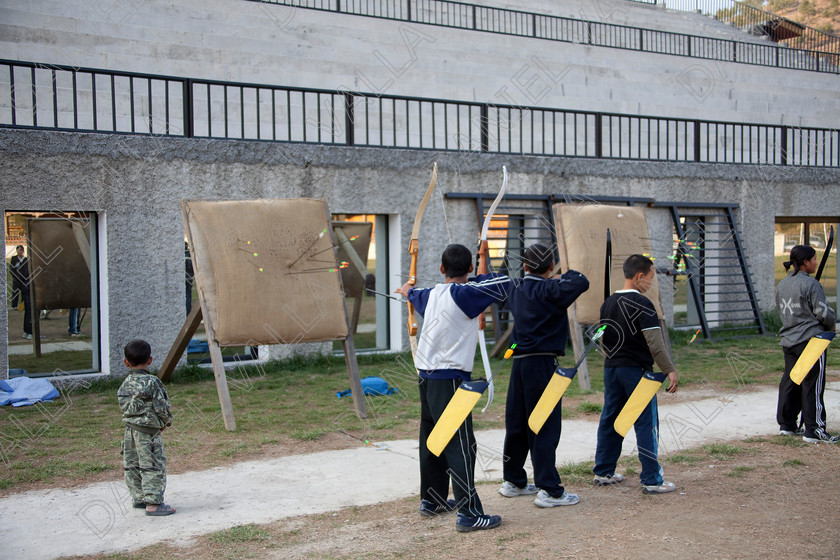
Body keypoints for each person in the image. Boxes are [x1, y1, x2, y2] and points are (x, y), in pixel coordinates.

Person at [395, 243, 511, 532]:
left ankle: (432, 499)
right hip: (449, 379)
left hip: (426, 376)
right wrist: (481, 266)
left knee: (432, 437)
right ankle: (469, 514)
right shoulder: (466, 293)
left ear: (441, 269)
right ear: (469, 269)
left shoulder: (429, 294)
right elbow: (505, 282)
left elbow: (412, 292)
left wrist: (406, 288)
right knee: (459, 444)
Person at [499, 243, 589, 507]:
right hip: (541, 365)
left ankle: (513, 481)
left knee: (517, 423)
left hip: (520, 363)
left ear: (524, 266)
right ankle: (549, 489)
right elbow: (581, 280)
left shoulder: (515, 287)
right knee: (545, 424)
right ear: (550, 267)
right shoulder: (553, 288)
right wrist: (559, 276)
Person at [592, 254, 679, 494]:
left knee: (610, 418)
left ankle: (603, 471)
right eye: (650, 278)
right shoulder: (643, 303)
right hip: (637, 373)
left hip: (612, 369)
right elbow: (655, 343)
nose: (651, 283)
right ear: (640, 276)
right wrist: (669, 370)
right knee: (645, 422)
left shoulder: (607, 303)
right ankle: (652, 479)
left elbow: (601, 339)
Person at [775, 245, 838, 443]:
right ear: (805, 262)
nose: (816, 263)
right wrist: (833, 320)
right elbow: (822, 312)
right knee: (813, 385)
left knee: (791, 381)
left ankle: (787, 425)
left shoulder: (783, 284)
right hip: (811, 342)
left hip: (789, 340)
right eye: (814, 259)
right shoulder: (811, 285)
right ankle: (815, 429)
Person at [117, 340, 176, 516]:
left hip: (129, 432)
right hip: (148, 433)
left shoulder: (125, 383)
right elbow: (161, 406)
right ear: (150, 360)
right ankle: (153, 503)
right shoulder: (153, 382)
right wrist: (166, 422)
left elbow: (123, 405)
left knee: (132, 464)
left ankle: (139, 498)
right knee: (152, 465)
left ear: (125, 362)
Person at [9, 245, 32, 339]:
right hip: (20, 281)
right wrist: (16, 277)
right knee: (29, 311)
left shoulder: (26, 260)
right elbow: (12, 269)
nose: (20, 252)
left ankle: (27, 331)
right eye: (19, 250)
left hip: (25, 285)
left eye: (21, 250)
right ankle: (28, 331)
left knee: (28, 308)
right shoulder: (14, 259)